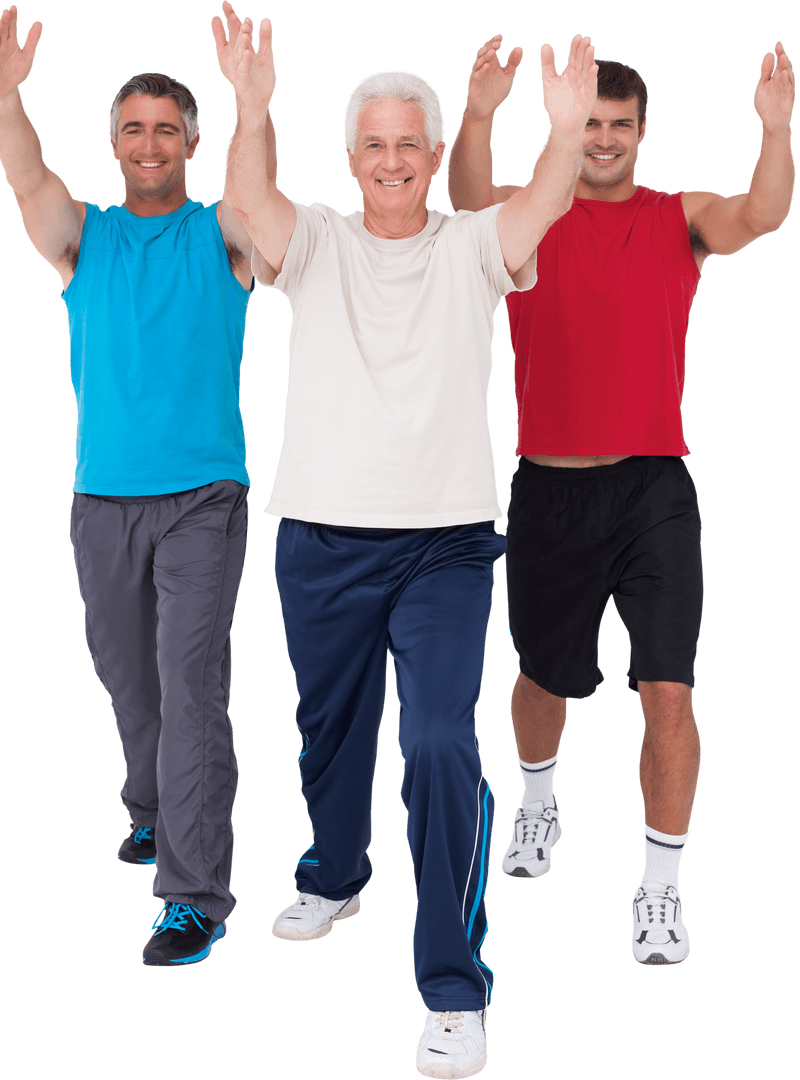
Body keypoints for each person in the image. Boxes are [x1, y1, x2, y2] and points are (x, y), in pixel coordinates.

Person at [214, 8, 597, 1077]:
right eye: (374, 145)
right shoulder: (316, 241)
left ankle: (453, 988)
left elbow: (542, 202)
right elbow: (248, 199)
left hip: (444, 548)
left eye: (409, 145)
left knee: (436, 742)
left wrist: (565, 127)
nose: (391, 161)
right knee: (329, 735)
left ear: (433, 155)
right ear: (353, 158)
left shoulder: (472, 245)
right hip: (321, 535)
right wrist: (251, 107)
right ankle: (334, 877)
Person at [447, 37, 795, 965]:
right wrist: (478, 113)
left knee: (670, 692)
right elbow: (468, 204)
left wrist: (774, 129)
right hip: (548, 490)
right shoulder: (530, 215)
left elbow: (761, 214)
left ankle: (659, 890)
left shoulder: (678, 216)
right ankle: (538, 802)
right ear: (569, 125)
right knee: (542, 678)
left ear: (642, 133)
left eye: (619, 125)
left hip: (653, 490)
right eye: (589, 122)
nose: (602, 138)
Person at [0, 3, 271, 966]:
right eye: (134, 128)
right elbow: (28, 178)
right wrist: (3, 100)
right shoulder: (84, 237)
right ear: (114, 143)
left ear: (191, 141)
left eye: (167, 129)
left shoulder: (221, 235)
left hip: (203, 498)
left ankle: (192, 896)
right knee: (128, 677)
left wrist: (250, 104)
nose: (151, 144)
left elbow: (253, 191)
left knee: (191, 688)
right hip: (100, 497)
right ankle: (150, 808)